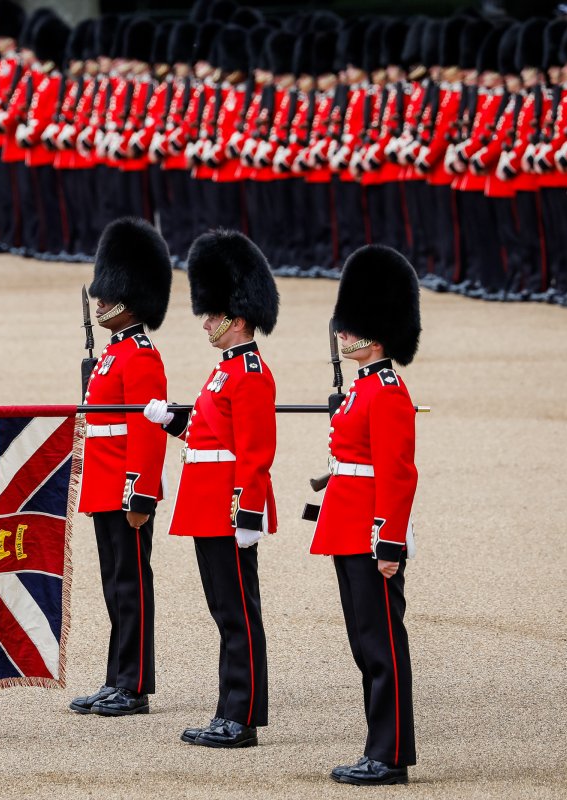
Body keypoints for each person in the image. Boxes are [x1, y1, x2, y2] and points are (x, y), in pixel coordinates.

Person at [143, 230, 278, 748]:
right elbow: (210, 433)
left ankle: (240, 717)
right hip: (206, 503)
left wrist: (247, 514)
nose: (206, 323)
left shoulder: (249, 374)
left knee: (237, 612)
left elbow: (255, 452)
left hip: (226, 507)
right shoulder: (225, 372)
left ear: (237, 318)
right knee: (225, 611)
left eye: (213, 314)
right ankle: (229, 708)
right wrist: (172, 420)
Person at [309, 245, 420, 785]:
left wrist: (390, 541)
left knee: (381, 645)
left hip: (371, 535)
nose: (343, 334)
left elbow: (399, 475)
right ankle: (379, 747)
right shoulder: (362, 389)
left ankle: (391, 753)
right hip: (347, 526)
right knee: (364, 644)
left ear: (375, 334)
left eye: (352, 327)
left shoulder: (389, 392)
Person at [71, 217, 171, 717]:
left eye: (108, 295)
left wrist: (140, 494)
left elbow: (147, 433)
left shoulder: (141, 356)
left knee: (131, 587)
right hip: (103, 485)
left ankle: (133, 685)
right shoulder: (113, 356)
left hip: (124, 490)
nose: (99, 301)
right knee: (116, 586)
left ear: (129, 298)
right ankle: (116, 677)